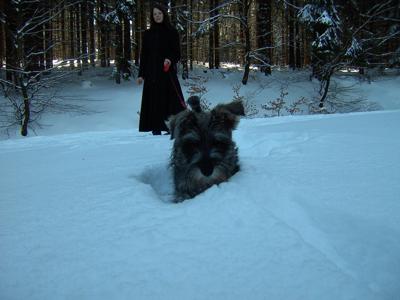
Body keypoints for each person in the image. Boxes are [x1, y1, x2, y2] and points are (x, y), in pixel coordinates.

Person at [136, 3, 186, 135]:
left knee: (171, 102)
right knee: (154, 102)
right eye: (155, 14)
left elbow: (177, 53)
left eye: (159, 13)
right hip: (152, 74)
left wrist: (169, 59)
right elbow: (144, 55)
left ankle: (173, 129)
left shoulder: (172, 32)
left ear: (164, 14)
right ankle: (155, 130)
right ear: (152, 17)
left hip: (167, 73)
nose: (157, 16)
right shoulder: (148, 34)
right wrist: (141, 75)